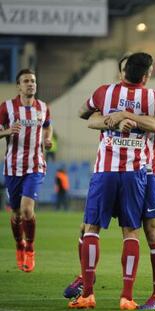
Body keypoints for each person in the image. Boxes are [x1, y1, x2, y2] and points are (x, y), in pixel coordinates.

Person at [67, 52, 155, 310]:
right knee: (131, 232)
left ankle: (87, 294)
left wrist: (115, 116)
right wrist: (117, 120)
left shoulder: (102, 93)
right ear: (146, 74)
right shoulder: (154, 98)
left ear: (124, 71)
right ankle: (127, 297)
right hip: (136, 173)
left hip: (104, 171)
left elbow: (83, 113)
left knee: (91, 229)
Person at [0, 68, 53, 273]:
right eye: (26, 81)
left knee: (27, 210)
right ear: (18, 86)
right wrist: (6, 131)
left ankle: (30, 246)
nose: (30, 84)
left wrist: (47, 139)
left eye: (33, 81)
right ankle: (19, 244)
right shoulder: (7, 108)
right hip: (13, 167)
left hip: (35, 165)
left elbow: (47, 126)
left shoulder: (43, 107)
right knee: (15, 213)